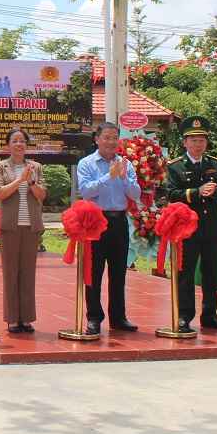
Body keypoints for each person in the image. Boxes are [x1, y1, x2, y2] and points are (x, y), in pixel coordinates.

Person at [166, 115, 217, 332]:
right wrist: (196, 192)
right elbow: (170, 194)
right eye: (193, 140)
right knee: (185, 274)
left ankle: (210, 315)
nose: (198, 144)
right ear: (185, 142)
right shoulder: (175, 167)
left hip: (211, 227)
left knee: (211, 273)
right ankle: (184, 316)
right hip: (186, 229)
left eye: (202, 140)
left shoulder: (215, 164)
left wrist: (215, 192)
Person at [76, 121, 141, 335]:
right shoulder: (86, 163)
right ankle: (94, 318)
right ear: (97, 139)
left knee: (119, 272)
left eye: (115, 138)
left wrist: (123, 177)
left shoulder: (126, 163)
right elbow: (86, 191)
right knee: (94, 272)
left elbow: (136, 194)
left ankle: (118, 317)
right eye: (107, 137)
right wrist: (108, 176)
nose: (111, 142)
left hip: (119, 221)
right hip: (95, 221)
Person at [0, 128, 46, 334]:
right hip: (9, 226)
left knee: (28, 273)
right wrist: (19, 180)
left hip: (31, 226)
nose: (19, 144)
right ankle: (13, 318)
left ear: (26, 145)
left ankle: (27, 318)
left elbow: (41, 195)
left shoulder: (36, 167)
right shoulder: (0, 166)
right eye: (14, 141)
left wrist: (30, 181)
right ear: (8, 145)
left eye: (22, 141)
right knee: (10, 272)